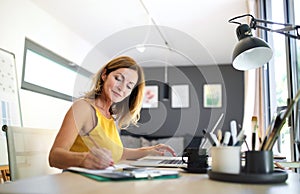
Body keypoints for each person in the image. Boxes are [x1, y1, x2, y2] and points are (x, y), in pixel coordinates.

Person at [49, 56, 176, 170]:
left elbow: (118, 153)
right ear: (104, 75)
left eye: (129, 86)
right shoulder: (83, 108)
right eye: (118, 78)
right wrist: (84, 159)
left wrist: (149, 150)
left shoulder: (110, 116)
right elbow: (54, 157)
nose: (122, 88)